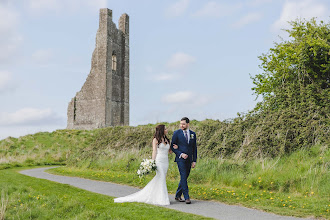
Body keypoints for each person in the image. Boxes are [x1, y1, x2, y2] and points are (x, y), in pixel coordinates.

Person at [114, 124, 174, 205]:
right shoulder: (156, 140)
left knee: (160, 179)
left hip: (165, 162)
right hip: (159, 161)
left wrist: (174, 148)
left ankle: (156, 196)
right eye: (166, 129)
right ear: (162, 130)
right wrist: (152, 162)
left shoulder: (167, 139)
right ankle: (163, 199)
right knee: (161, 178)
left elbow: (169, 152)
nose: (167, 130)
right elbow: (154, 151)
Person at [170, 117, 197, 204]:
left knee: (185, 177)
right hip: (180, 159)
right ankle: (186, 197)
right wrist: (181, 154)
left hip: (189, 160)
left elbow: (194, 148)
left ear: (188, 124)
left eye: (183, 124)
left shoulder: (193, 134)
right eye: (180, 124)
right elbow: (172, 147)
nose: (181, 125)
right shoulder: (176, 133)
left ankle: (178, 195)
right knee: (183, 176)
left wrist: (194, 160)